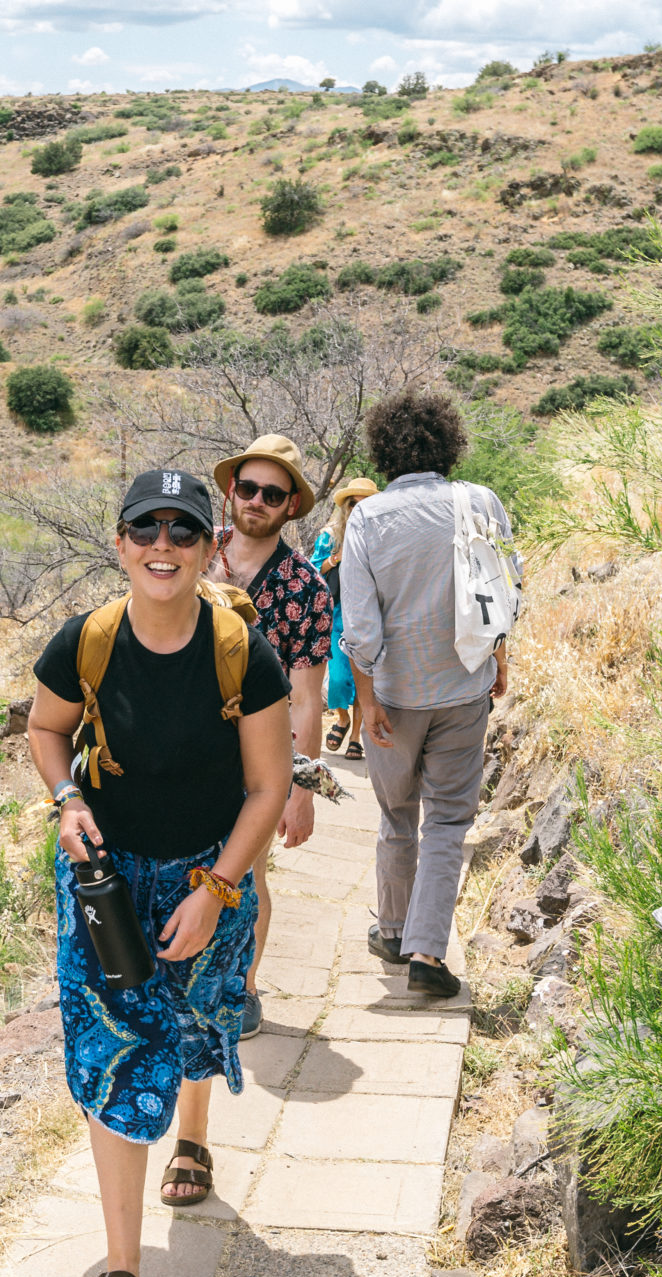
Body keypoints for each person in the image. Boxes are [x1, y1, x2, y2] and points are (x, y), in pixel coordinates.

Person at [28, 469, 291, 1277]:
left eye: (184, 531)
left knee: (195, 1020)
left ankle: (194, 1135)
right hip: (106, 885)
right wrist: (68, 799)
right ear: (120, 543)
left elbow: (268, 785)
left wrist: (219, 892)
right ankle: (124, 1265)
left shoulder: (239, 652)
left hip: (205, 876)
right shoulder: (87, 643)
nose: (164, 547)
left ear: (208, 545)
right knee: (111, 1051)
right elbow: (44, 728)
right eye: (148, 529)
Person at [341, 391, 511, 1000]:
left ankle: (391, 930)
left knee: (395, 816)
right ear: (449, 443)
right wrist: (498, 659)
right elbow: (503, 593)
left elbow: (360, 629)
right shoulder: (481, 503)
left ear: (384, 449)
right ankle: (426, 952)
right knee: (446, 821)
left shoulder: (366, 518)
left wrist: (367, 700)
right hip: (464, 688)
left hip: (394, 697)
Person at [206, 435, 331, 1039]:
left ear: (290, 506)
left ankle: (243, 988)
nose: (255, 500)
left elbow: (309, 695)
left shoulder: (304, 586)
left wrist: (301, 789)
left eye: (271, 493)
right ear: (232, 491)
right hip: (177, 745)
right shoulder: (192, 552)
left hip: (258, 757)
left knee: (245, 877)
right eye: (247, 488)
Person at [311, 477, 378, 762]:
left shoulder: (380, 534)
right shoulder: (330, 534)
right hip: (337, 612)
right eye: (354, 503)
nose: (358, 509)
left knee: (364, 677)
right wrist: (335, 558)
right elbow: (313, 568)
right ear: (346, 507)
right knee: (339, 678)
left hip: (367, 611)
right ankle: (341, 718)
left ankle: (355, 738)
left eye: (365, 504)